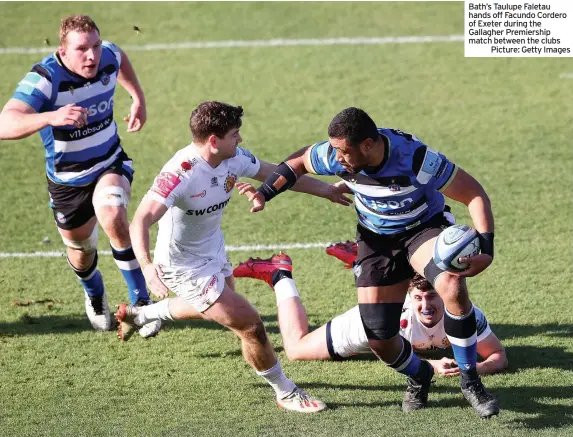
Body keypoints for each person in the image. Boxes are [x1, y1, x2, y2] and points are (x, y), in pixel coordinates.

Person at [239, 107, 500, 417]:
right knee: (380, 339)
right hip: (376, 240)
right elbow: (298, 162)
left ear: (367, 145)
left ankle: (470, 381)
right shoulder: (334, 154)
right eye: (333, 149)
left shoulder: (416, 159)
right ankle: (419, 376)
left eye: (343, 151)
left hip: (424, 228)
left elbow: (474, 194)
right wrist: (265, 193)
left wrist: (487, 248)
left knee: (451, 284)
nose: (336, 159)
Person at [116, 101, 353, 412]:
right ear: (214, 140)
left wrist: (326, 191)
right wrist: (147, 268)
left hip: (213, 249)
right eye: (234, 134)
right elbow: (141, 219)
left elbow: (276, 172)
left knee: (215, 307)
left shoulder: (233, 158)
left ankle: (142, 315)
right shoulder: (180, 173)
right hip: (182, 265)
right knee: (250, 326)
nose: (240, 140)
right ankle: (285, 391)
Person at [0, 15, 160, 336]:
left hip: (109, 161)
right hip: (67, 182)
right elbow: (5, 123)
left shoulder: (107, 56)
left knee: (114, 215)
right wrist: (51, 116)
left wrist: (138, 97)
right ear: (64, 50)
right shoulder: (44, 78)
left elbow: (120, 57)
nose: (92, 55)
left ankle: (141, 304)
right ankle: (94, 293)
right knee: (82, 253)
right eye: (82, 48)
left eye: (96, 46)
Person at [233, 252, 508, 377]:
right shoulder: (397, 318)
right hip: (369, 329)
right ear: (409, 298)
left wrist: (477, 367)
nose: (425, 306)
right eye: (419, 298)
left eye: (432, 296)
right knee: (296, 348)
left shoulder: (464, 315)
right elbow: (388, 352)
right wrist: (432, 366)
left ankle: (361, 259)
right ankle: (279, 274)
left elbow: (498, 355)